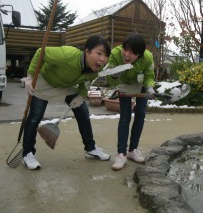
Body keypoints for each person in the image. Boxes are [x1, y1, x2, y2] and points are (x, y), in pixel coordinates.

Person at [21, 35, 111, 170]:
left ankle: (90, 148)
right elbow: (41, 52)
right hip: (46, 80)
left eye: (105, 56)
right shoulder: (68, 55)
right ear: (87, 51)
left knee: (83, 112)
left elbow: (85, 82)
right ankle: (27, 153)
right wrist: (30, 75)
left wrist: (81, 95)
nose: (102, 59)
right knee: (35, 117)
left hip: (68, 85)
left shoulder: (95, 69)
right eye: (99, 53)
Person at [106, 32, 155, 170]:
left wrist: (150, 87)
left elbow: (149, 76)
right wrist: (113, 75)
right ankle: (121, 154)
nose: (126, 55)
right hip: (124, 84)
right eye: (125, 49)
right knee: (125, 116)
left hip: (141, 84)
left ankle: (133, 150)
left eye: (132, 52)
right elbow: (108, 79)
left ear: (139, 54)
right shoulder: (115, 54)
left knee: (140, 113)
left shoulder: (147, 57)